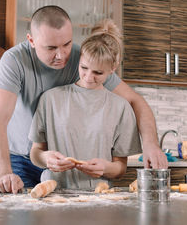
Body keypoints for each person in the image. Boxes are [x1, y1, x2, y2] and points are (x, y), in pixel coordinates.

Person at [0, 5, 166, 194]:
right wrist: (5, 174)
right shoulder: (14, 61)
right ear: (31, 40)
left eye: (67, 44)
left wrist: (151, 145)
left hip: (66, 165)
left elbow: (135, 101)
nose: (61, 55)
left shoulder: (84, 59)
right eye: (51, 48)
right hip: (22, 157)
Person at [29, 19, 141, 188]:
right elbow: (35, 153)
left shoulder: (121, 107)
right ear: (79, 59)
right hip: (55, 196)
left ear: (113, 68)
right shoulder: (50, 99)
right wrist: (47, 159)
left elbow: (120, 168)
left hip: (99, 198)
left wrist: (105, 168)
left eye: (98, 72)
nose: (89, 77)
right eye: (84, 67)